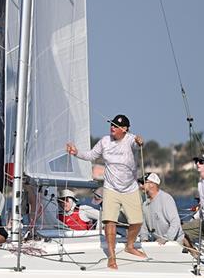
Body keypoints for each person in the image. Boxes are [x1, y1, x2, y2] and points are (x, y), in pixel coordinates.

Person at [66, 114, 146, 269]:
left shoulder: (130, 139)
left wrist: (140, 141)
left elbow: (138, 144)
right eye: (112, 125)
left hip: (130, 188)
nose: (112, 128)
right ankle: (112, 255)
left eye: (116, 126)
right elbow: (90, 155)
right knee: (110, 221)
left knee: (137, 222)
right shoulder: (104, 141)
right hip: (110, 188)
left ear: (125, 129)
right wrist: (76, 152)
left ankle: (130, 246)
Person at [141, 173, 184, 244]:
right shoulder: (145, 204)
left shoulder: (166, 199)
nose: (140, 185)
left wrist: (166, 238)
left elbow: (175, 222)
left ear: (152, 184)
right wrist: (144, 239)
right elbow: (144, 227)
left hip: (173, 243)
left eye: (143, 183)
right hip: (157, 243)